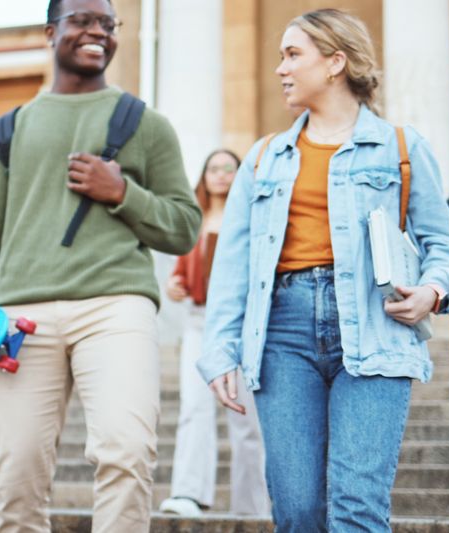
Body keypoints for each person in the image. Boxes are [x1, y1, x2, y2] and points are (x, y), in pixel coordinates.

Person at [197, 9, 449, 532]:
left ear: (335, 62)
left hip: (375, 327)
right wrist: (220, 350)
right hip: (283, 335)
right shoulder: (264, 158)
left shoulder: (401, 147)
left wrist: (433, 291)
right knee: (297, 509)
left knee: (356, 506)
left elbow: (444, 245)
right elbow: (232, 266)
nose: (281, 68)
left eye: (293, 55)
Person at [0, 1, 201, 530]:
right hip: (21, 316)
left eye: (107, 23)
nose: (97, 32)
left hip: (117, 305)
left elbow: (184, 226)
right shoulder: (9, 129)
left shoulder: (146, 124)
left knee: (127, 450)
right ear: (50, 32)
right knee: (15, 475)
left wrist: (123, 192)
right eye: (82, 20)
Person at [159, 149, 271, 519]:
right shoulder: (193, 220)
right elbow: (179, 272)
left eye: (228, 168)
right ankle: (188, 493)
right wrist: (174, 285)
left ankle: (251, 506)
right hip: (199, 320)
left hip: (243, 325)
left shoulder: (252, 217)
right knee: (194, 406)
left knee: (246, 418)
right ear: (203, 176)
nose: (221, 174)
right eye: (213, 168)